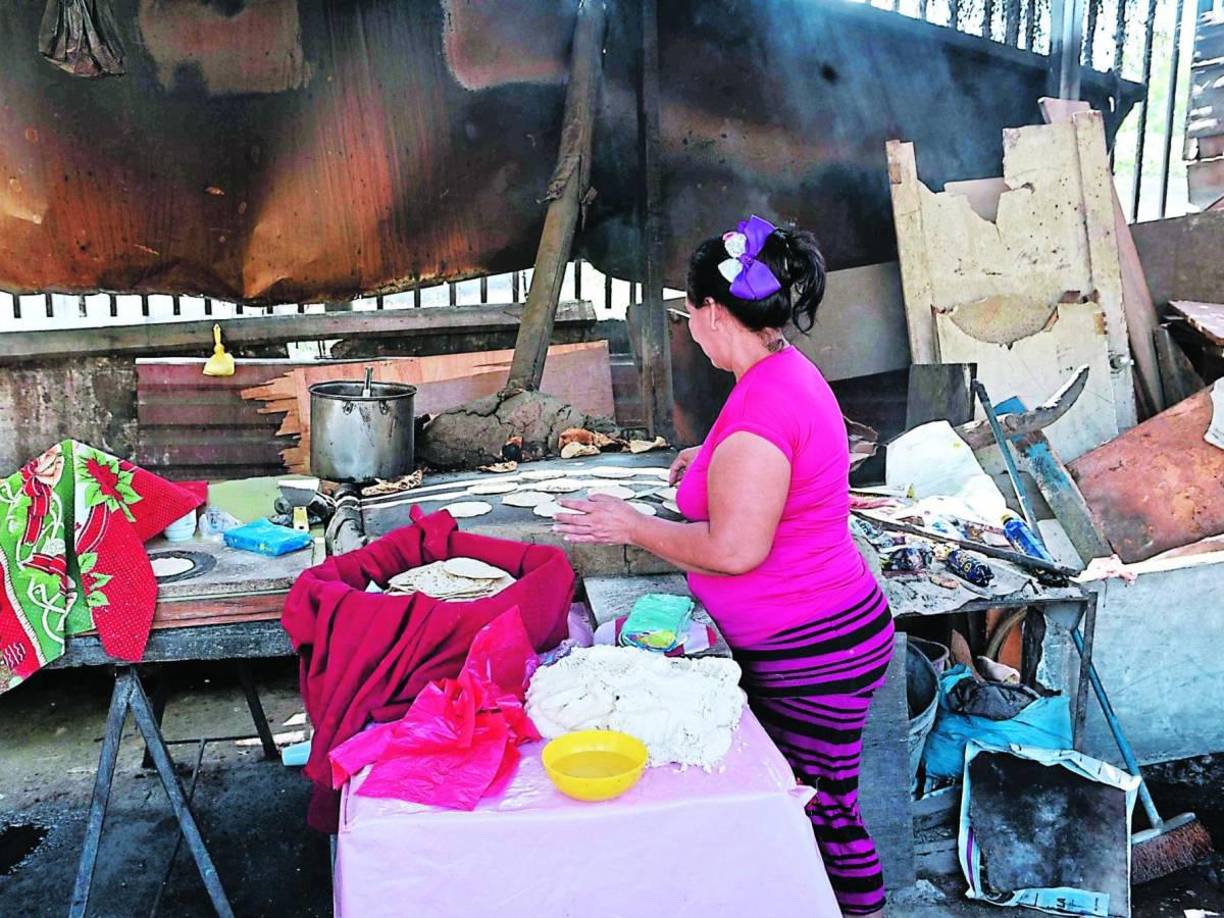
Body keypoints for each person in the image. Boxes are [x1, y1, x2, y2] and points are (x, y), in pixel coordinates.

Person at [554, 215, 896, 917]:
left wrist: (632, 525)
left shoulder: (763, 407)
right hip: (825, 628)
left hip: (814, 648)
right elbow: (770, 466)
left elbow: (738, 550)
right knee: (805, 801)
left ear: (712, 311)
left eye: (688, 314)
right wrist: (707, 462)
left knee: (822, 809)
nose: (691, 327)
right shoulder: (779, 372)